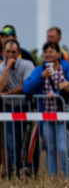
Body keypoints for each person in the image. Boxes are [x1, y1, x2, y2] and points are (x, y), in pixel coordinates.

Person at [22, 41, 69, 178]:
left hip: (63, 115)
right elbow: (26, 88)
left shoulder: (67, 68)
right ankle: (53, 178)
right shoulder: (39, 70)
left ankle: (67, 177)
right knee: (50, 149)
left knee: (64, 149)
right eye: (45, 51)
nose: (47, 54)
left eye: (51, 51)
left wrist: (58, 95)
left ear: (58, 54)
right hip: (46, 116)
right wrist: (41, 77)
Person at [0, 39, 35, 177]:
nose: (10, 55)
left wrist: (7, 94)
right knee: (11, 142)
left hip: (25, 107)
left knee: (25, 142)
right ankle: (15, 172)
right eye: (7, 52)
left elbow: (25, 86)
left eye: (13, 52)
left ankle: (26, 170)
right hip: (9, 108)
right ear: (3, 52)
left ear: (18, 53)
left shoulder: (27, 64)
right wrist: (7, 67)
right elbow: (0, 87)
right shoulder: (2, 67)